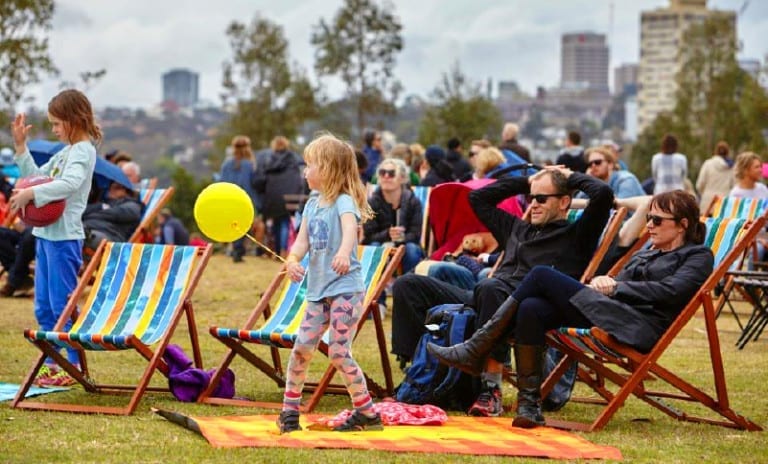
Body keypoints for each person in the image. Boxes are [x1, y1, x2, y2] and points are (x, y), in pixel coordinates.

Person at [428, 190, 713, 427]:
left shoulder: (698, 256)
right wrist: (608, 280)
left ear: (682, 224)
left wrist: (617, 287)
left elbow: (672, 292)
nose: (649, 224)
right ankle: (529, 406)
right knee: (531, 306)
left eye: (657, 220)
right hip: (610, 312)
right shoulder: (647, 252)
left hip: (637, 326)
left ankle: (478, 345)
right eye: (648, 217)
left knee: (540, 274)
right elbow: (620, 283)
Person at [391, 165, 613, 416]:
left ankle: (490, 389)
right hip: (487, 298)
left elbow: (603, 194)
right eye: (531, 198)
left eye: (541, 198)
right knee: (408, 285)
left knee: (490, 286)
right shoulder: (516, 228)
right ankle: (418, 380)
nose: (535, 204)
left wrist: (570, 177)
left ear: (564, 202)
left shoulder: (577, 235)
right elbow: (478, 197)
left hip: (526, 308)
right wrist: (529, 181)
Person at [277, 133, 382, 434]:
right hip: (318, 292)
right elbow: (301, 242)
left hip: (345, 289)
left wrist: (343, 253)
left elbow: (350, 229)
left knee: (337, 350)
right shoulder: (311, 204)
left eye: (310, 165)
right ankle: (289, 413)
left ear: (328, 169)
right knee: (302, 349)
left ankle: (367, 413)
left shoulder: (343, 201)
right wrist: (293, 261)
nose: (305, 171)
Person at [8, 89, 100, 387]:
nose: (55, 129)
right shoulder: (66, 152)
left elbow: (70, 183)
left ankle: (72, 366)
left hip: (64, 239)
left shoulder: (83, 151)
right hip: (46, 236)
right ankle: (53, 363)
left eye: (58, 124)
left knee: (62, 305)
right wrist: (21, 148)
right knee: (44, 306)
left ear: (74, 119)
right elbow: (37, 176)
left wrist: (32, 194)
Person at [362, 158, 424, 274]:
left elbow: (416, 234)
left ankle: (407, 287)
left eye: (391, 173)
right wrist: (388, 234)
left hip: (406, 244)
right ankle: (377, 291)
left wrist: (401, 238)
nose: (386, 176)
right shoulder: (372, 203)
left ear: (402, 178)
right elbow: (369, 235)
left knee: (412, 249)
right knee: (374, 248)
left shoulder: (413, 202)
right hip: (380, 243)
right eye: (382, 172)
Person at [252, 136, 305, 258]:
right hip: (288, 196)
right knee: (285, 223)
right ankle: (283, 250)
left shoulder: (268, 159)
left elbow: (261, 179)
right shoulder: (293, 159)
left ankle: (276, 251)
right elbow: (298, 178)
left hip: (272, 197)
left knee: (276, 223)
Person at [219, 135, 258, 262]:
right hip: (244, 199)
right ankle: (238, 250)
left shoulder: (226, 164)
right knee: (243, 225)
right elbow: (252, 184)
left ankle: (235, 249)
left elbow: (222, 182)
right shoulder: (249, 165)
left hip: (229, 198)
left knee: (233, 224)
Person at [82, 181, 144, 252]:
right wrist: (101, 208)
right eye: (110, 187)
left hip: (110, 235)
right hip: (90, 228)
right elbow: (83, 211)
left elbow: (117, 214)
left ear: (126, 191)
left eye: (116, 188)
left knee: (84, 236)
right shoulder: (104, 203)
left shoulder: (133, 205)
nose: (111, 190)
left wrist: (95, 213)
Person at [0, 220, 35, 297]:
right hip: (23, 232)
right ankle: (21, 278)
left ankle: (14, 282)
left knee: (30, 234)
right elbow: (17, 225)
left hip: (39, 231)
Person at [696, 141, 734, 212]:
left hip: (707, 203)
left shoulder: (707, 164)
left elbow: (699, 184)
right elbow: (734, 185)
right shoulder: (731, 167)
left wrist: (703, 193)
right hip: (724, 203)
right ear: (727, 152)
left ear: (716, 151)